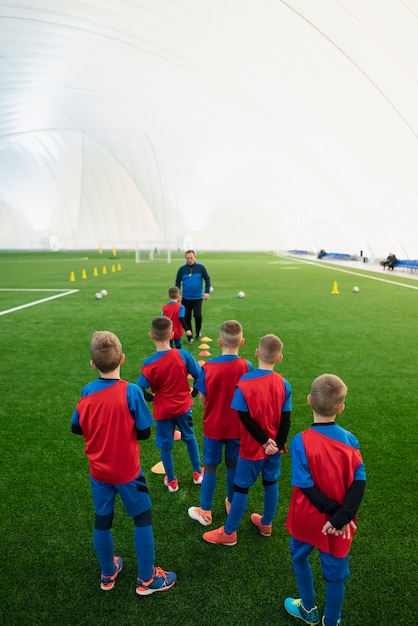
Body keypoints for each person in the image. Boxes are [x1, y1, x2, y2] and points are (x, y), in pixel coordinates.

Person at [71, 331, 176, 595]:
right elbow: (144, 432)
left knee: (102, 521)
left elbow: (76, 427)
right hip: (128, 472)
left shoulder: (87, 391)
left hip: (99, 472)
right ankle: (147, 579)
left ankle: (108, 572)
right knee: (142, 518)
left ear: (93, 364)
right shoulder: (131, 391)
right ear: (123, 359)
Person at [284, 374, 366, 626]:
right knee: (335, 576)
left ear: (309, 401)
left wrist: (331, 512)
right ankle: (331, 621)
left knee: (299, 555)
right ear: (340, 408)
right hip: (338, 525)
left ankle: (308, 608)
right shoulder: (350, 440)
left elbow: (305, 486)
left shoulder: (300, 441)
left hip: (308, 519)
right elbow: (359, 483)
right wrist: (341, 517)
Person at [202, 334, 292, 546]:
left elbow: (244, 417)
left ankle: (229, 532)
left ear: (257, 353)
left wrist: (262, 442)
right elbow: (286, 418)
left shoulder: (244, 383)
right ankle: (266, 523)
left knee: (241, 487)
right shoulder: (284, 383)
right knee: (271, 482)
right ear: (280, 358)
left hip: (252, 448)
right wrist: (277, 443)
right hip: (275, 449)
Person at [188, 320, 253, 526]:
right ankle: (232, 502)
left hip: (214, 426)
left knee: (211, 467)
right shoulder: (246, 366)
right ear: (241, 342)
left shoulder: (209, 367)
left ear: (218, 342)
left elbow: (203, 398)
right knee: (233, 465)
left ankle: (205, 511)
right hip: (237, 427)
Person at [137, 316, 204, 492]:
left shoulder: (149, 364)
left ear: (151, 335)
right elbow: (200, 375)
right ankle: (198, 473)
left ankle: (172, 481)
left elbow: (139, 389)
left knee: (165, 446)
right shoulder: (183, 355)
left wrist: (152, 398)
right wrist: (194, 393)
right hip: (184, 408)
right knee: (189, 437)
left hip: (162, 411)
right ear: (172, 333)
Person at [175, 249, 211, 343]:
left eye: (191, 258)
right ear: (185, 258)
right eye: (187, 258)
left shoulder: (201, 267)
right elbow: (177, 282)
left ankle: (198, 333)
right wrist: (178, 295)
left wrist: (207, 292)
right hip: (186, 298)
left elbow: (207, 279)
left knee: (198, 316)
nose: (189, 260)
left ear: (195, 257)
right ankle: (189, 337)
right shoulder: (182, 269)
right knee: (186, 318)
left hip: (198, 297)